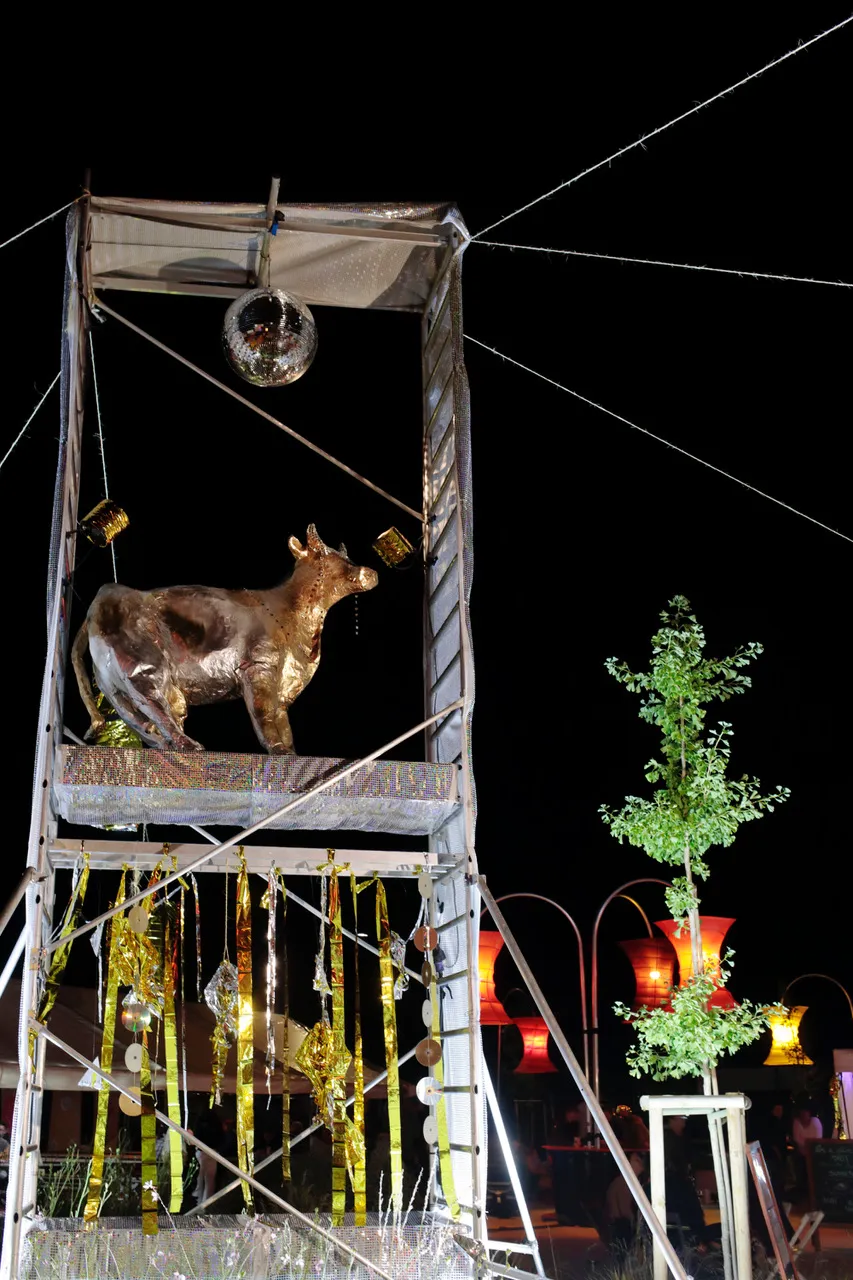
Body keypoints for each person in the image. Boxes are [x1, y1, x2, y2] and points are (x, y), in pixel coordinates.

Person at [605, 1151, 647, 1248]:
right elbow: (626, 1212)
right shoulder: (624, 1184)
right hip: (621, 1230)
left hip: (618, 1229)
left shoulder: (624, 1182)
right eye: (637, 1161)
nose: (641, 1163)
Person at [792, 1100, 821, 1197]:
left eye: (805, 1112)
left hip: (814, 1153)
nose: (803, 1114)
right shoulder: (796, 1122)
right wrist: (805, 1146)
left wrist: (807, 1146)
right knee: (801, 1168)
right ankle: (802, 1192)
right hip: (801, 1153)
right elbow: (797, 1139)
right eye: (801, 1112)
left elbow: (817, 1139)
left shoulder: (815, 1122)